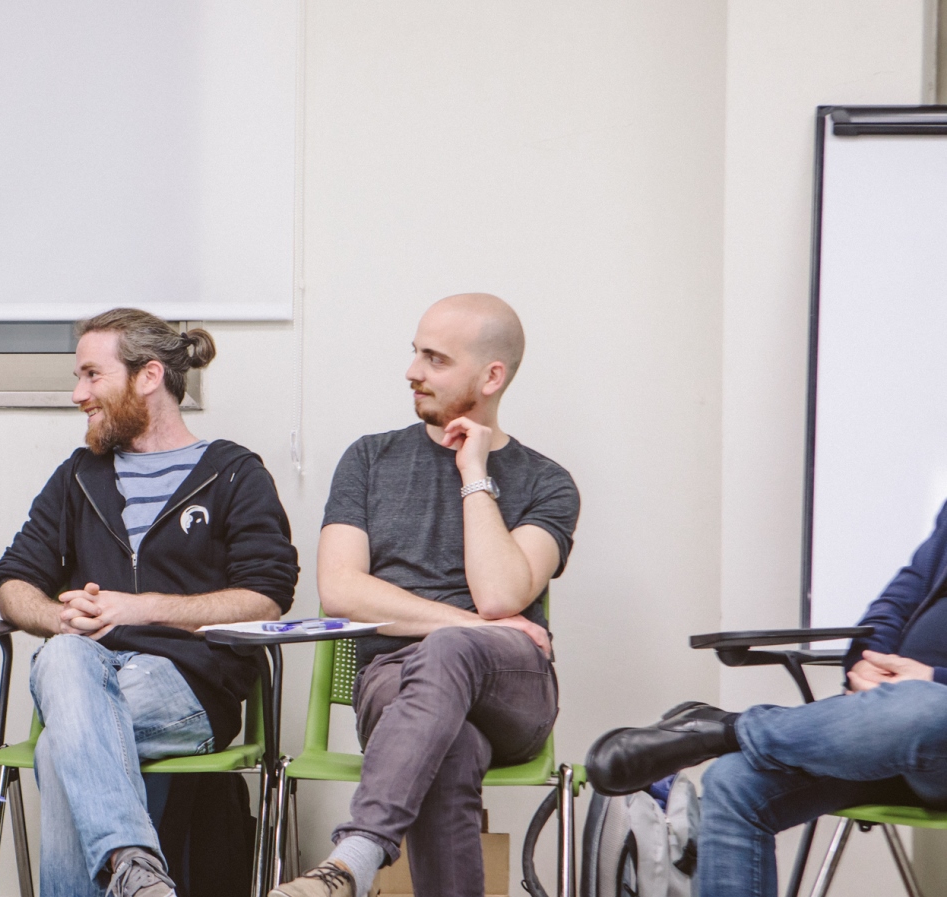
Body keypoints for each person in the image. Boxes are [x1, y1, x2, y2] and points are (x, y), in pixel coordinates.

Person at [272, 293, 580, 897]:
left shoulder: (548, 482)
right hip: (395, 682)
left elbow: (497, 596)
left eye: (435, 359)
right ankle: (357, 860)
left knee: (450, 652)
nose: (413, 371)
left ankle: (355, 857)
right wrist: (468, 627)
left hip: (510, 687)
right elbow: (340, 591)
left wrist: (474, 473)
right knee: (450, 747)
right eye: (415, 353)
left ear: (491, 376)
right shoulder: (368, 459)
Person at [0, 308, 300, 897]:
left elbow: (266, 598)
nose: (78, 394)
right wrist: (59, 617)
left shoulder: (233, 474)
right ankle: (136, 871)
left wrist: (142, 608)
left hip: (187, 687)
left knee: (62, 744)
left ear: (148, 376)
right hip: (86, 672)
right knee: (63, 658)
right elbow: (13, 584)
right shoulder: (78, 477)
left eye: (91, 375)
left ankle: (129, 864)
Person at [586, 501, 947, 897]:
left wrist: (931, 679)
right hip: (890, 737)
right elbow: (894, 605)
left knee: (925, 706)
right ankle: (726, 731)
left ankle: (723, 729)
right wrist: (867, 667)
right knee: (732, 781)